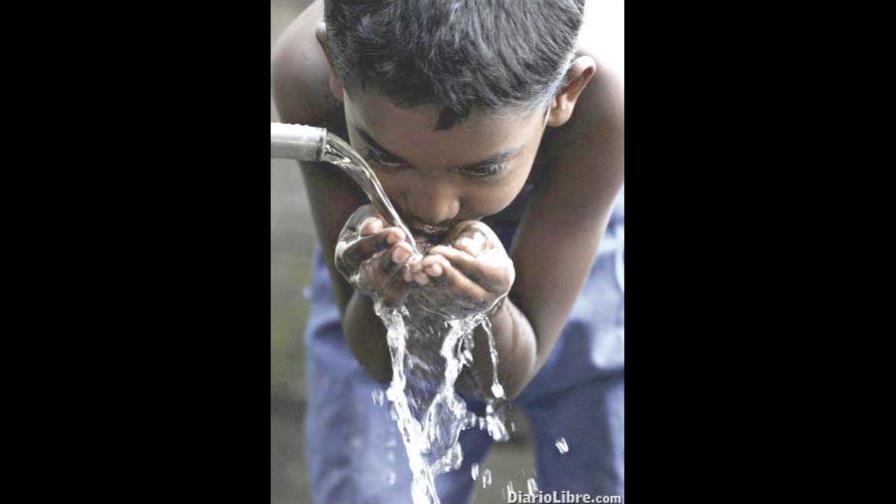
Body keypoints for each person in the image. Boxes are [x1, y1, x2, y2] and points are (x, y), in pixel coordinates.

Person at [272, 1, 624, 502]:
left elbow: (507, 375)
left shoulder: (606, 106)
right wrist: (379, 294)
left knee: (601, 478)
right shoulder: (306, 75)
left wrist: (488, 308)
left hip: (575, 234)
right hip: (375, 248)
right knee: (371, 489)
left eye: (482, 169)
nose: (431, 211)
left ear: (565, 94)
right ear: (335, 70)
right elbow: (378, 363)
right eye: (383, 156)